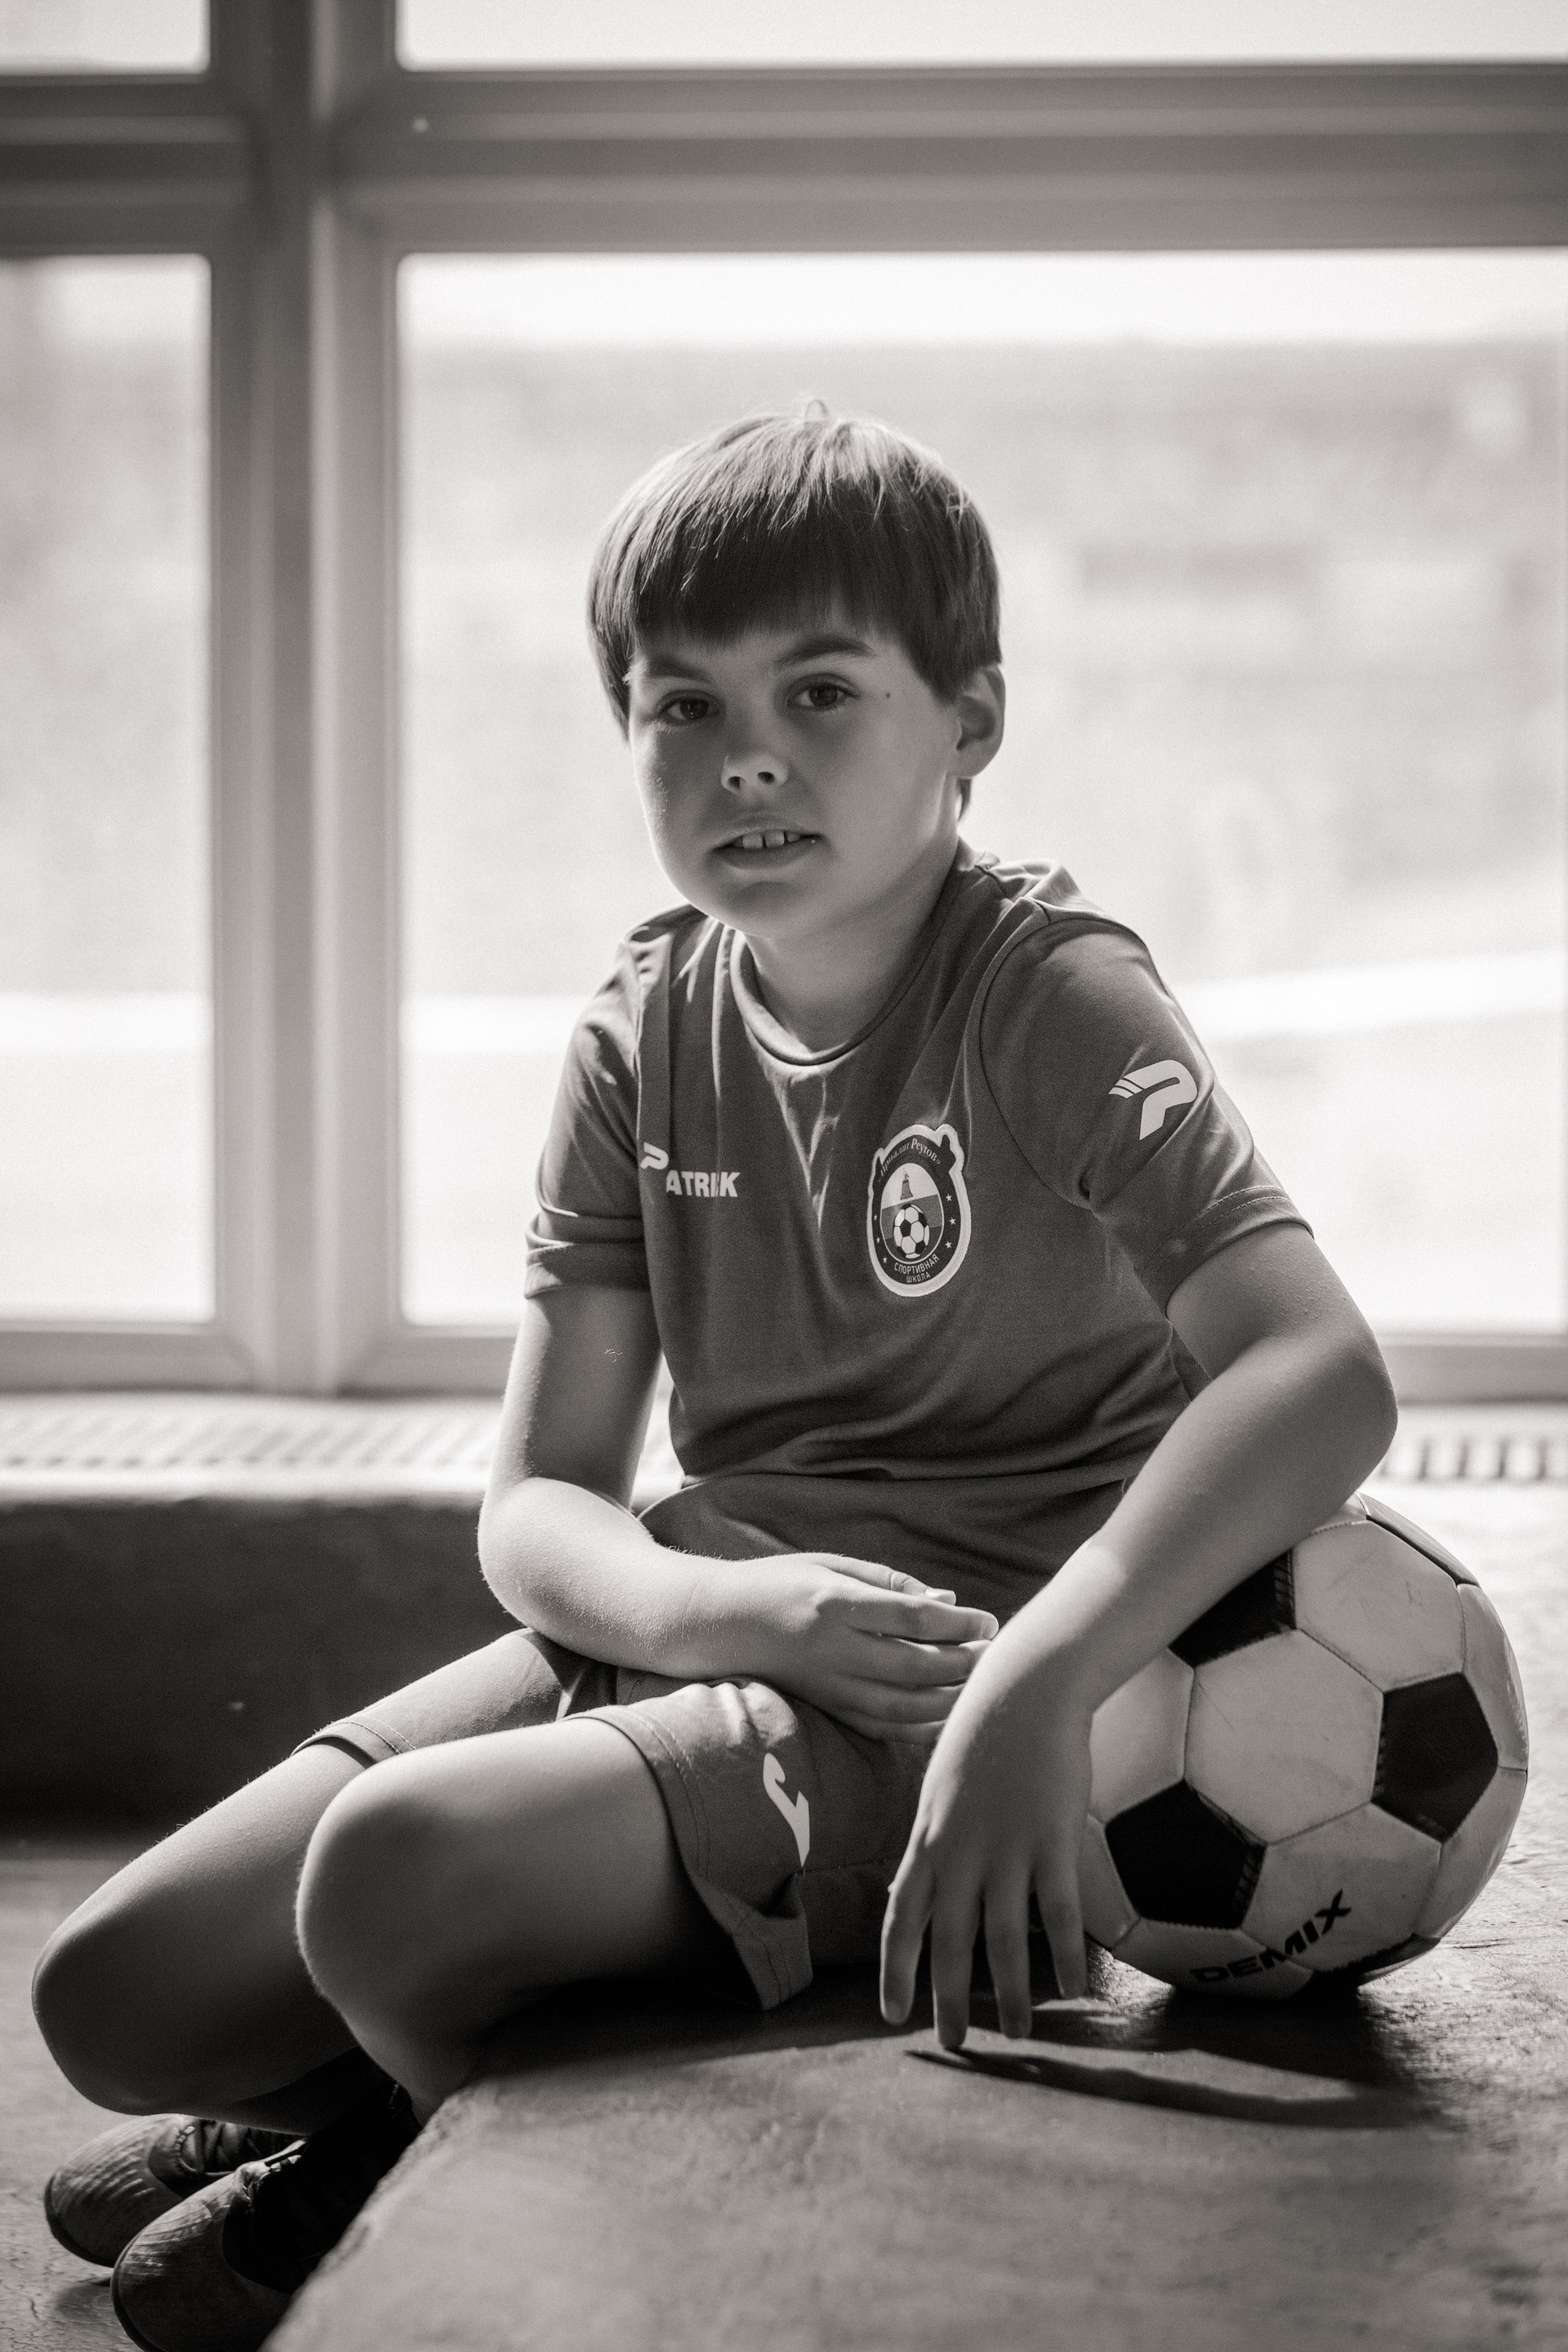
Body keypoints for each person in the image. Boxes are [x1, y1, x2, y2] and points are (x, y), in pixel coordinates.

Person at [33, 409, 1396, 2351]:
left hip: (955, 1682)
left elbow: (1321, 1371)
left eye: (819, 692)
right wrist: (727, 1614)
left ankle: (386, 2152)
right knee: (111, 1997)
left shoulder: (1050, 993)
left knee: (385, 1884)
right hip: (719, 1616)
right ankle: (391, 2083)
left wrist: (1044, 1677)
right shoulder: (640, 1028)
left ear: (971, 721)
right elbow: (540, 1505)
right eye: (684, 707)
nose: (746, 756)